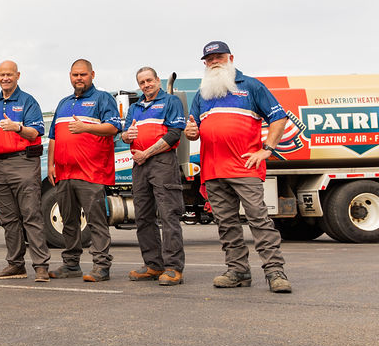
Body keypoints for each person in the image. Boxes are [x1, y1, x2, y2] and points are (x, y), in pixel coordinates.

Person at [185, 41, 292, 293]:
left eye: (219, 56)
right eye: (209, 59)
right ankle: (238, 271)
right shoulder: (203, 93)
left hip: (244, 168)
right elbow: (195, 130)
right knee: (226, 224)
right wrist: (191, 133)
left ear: (230, 57)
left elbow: (278, 117)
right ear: (205, 63)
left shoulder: (251, 86)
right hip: (212, 171)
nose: (214, 61)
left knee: (259, 220)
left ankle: (275, 272)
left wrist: (267, 149)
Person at [47, 59, 122, 282]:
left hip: (91, 172)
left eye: (83, 74)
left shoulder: (102, 98)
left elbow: (114, 127)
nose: (79, 78)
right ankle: (71, 265)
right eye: (75, 75)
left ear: (92, 75)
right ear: (70, 76)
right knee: (68, 221)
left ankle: (101, 266)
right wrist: (51, 164)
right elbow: (53, 136)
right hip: (64, 173)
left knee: (95, 221)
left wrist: (85, 127)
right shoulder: (63, 103)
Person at [0, 60, 51, 282]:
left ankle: (41, 266)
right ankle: (15, 265)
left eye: (9, 74)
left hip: (23, 163)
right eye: (2, 74)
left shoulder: (28, 101)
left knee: (31, 215)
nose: (5, 78)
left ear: (18, 75)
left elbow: (36, 132)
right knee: (8, 219)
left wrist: (17, 128)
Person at [121, 67, 187, 286]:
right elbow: (124, 135)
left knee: (169, 215)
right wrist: (126, 136)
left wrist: (146, 153)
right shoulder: (135, 107)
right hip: (139, 166)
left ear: (158, 80)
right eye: (141, 82)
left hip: (162, 163)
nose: (146, 85)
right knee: (143, 216)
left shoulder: (170, 102)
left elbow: (174, 133)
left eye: (149, 80)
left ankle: (173, 268)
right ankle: (153, 265)